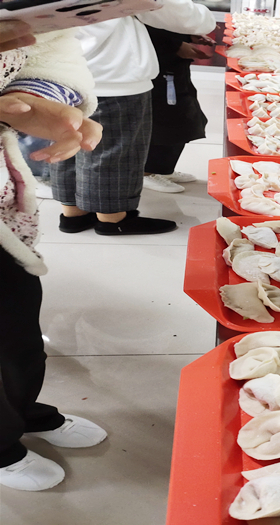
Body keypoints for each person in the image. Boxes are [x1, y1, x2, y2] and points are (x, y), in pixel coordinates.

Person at [0, 22, 107, 492]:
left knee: (17, 322)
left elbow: (52, 49)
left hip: (4, 208)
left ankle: (23, 411)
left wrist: (43, 101)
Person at [49, 0, 216, 235]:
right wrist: (202, 19)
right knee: (115, 150)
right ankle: (113, 219)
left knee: (69, 142)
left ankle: (73, 214)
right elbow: (177, 13)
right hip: (111, 72)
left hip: (61, 69)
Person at [142, 29, 214, 194]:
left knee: (184, 116)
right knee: (167, 117)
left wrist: (186, 37)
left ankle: (164, 169)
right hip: (160, 60)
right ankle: (147, 172)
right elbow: (150, 26)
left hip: (174, 62)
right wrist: (174, 45)